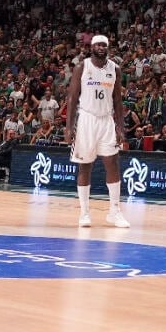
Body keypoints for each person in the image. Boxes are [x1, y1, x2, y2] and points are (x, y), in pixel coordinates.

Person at [65, 35, 130, 228]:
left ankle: (115, 212)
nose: (102, 47)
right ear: (91, 47)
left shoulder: (115, 69)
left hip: (106, 120)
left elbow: (118, 101)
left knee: (113, 163)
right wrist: (69, 127)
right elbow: (72, 98)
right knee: (85, 166)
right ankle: (84, 213)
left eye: (105, 45)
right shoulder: (82, 67)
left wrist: (120, 127)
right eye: (98, 45)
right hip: (86, 119)